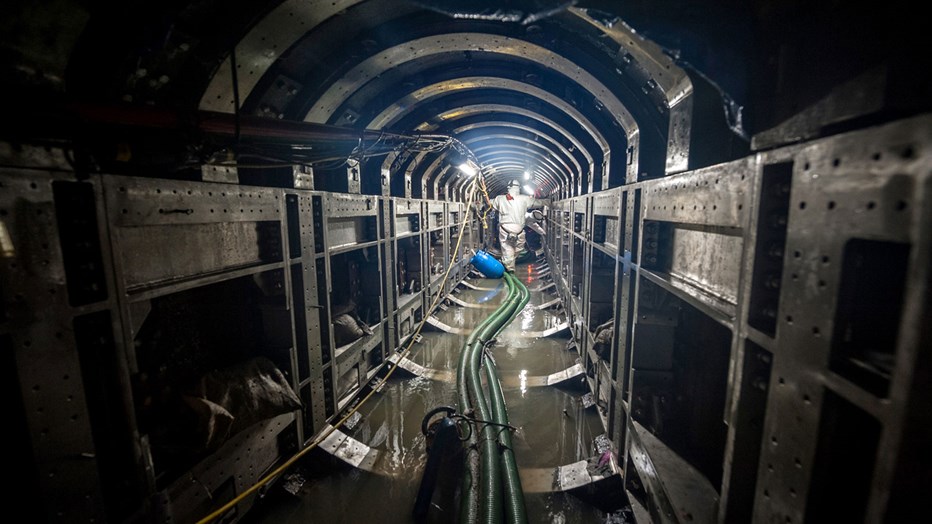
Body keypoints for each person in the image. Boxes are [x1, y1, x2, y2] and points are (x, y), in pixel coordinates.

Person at [490, 179, 544, 272]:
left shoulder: (500, 198)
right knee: (515, 249)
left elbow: (489, 203)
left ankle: (507, 261)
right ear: (519, 188)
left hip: (505, 230)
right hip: (516, 231)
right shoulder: (524, 201)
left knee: (509, 250)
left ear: (508, 188)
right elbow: (538, 203)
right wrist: (550, 201)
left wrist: (478, 202)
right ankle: (509, 270)